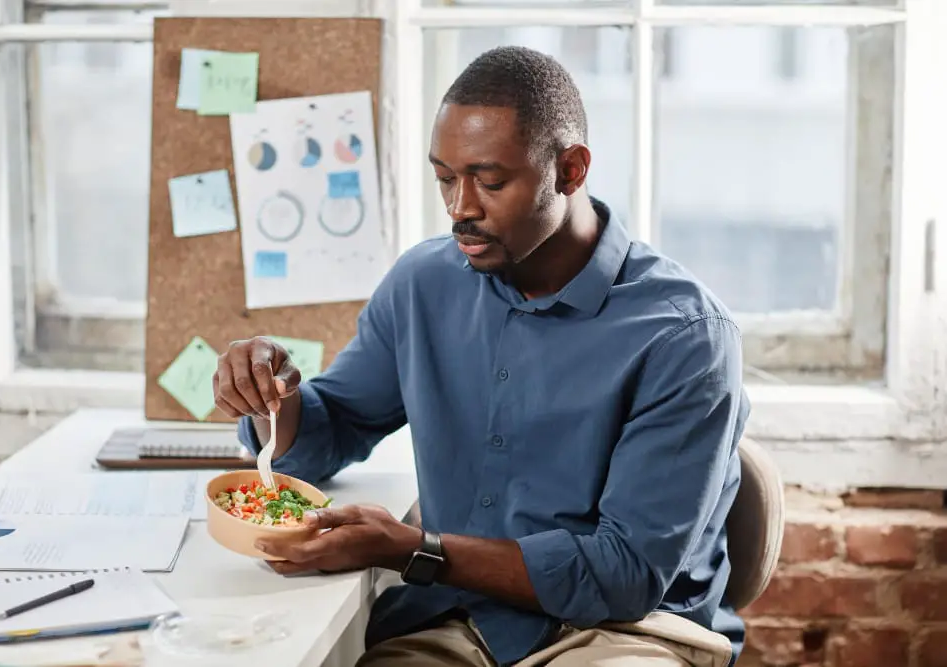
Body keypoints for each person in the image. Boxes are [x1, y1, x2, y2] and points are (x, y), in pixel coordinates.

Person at [214, 45, 749, 667]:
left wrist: (414, 550)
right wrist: (269, 397)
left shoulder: (684, 335)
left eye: (490, 181)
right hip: (457, 621)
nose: (460, 206)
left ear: (571, 171)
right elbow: (328, 434)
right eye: (445, 177)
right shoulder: (424, 284)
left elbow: (625, 573)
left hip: (629, 634)